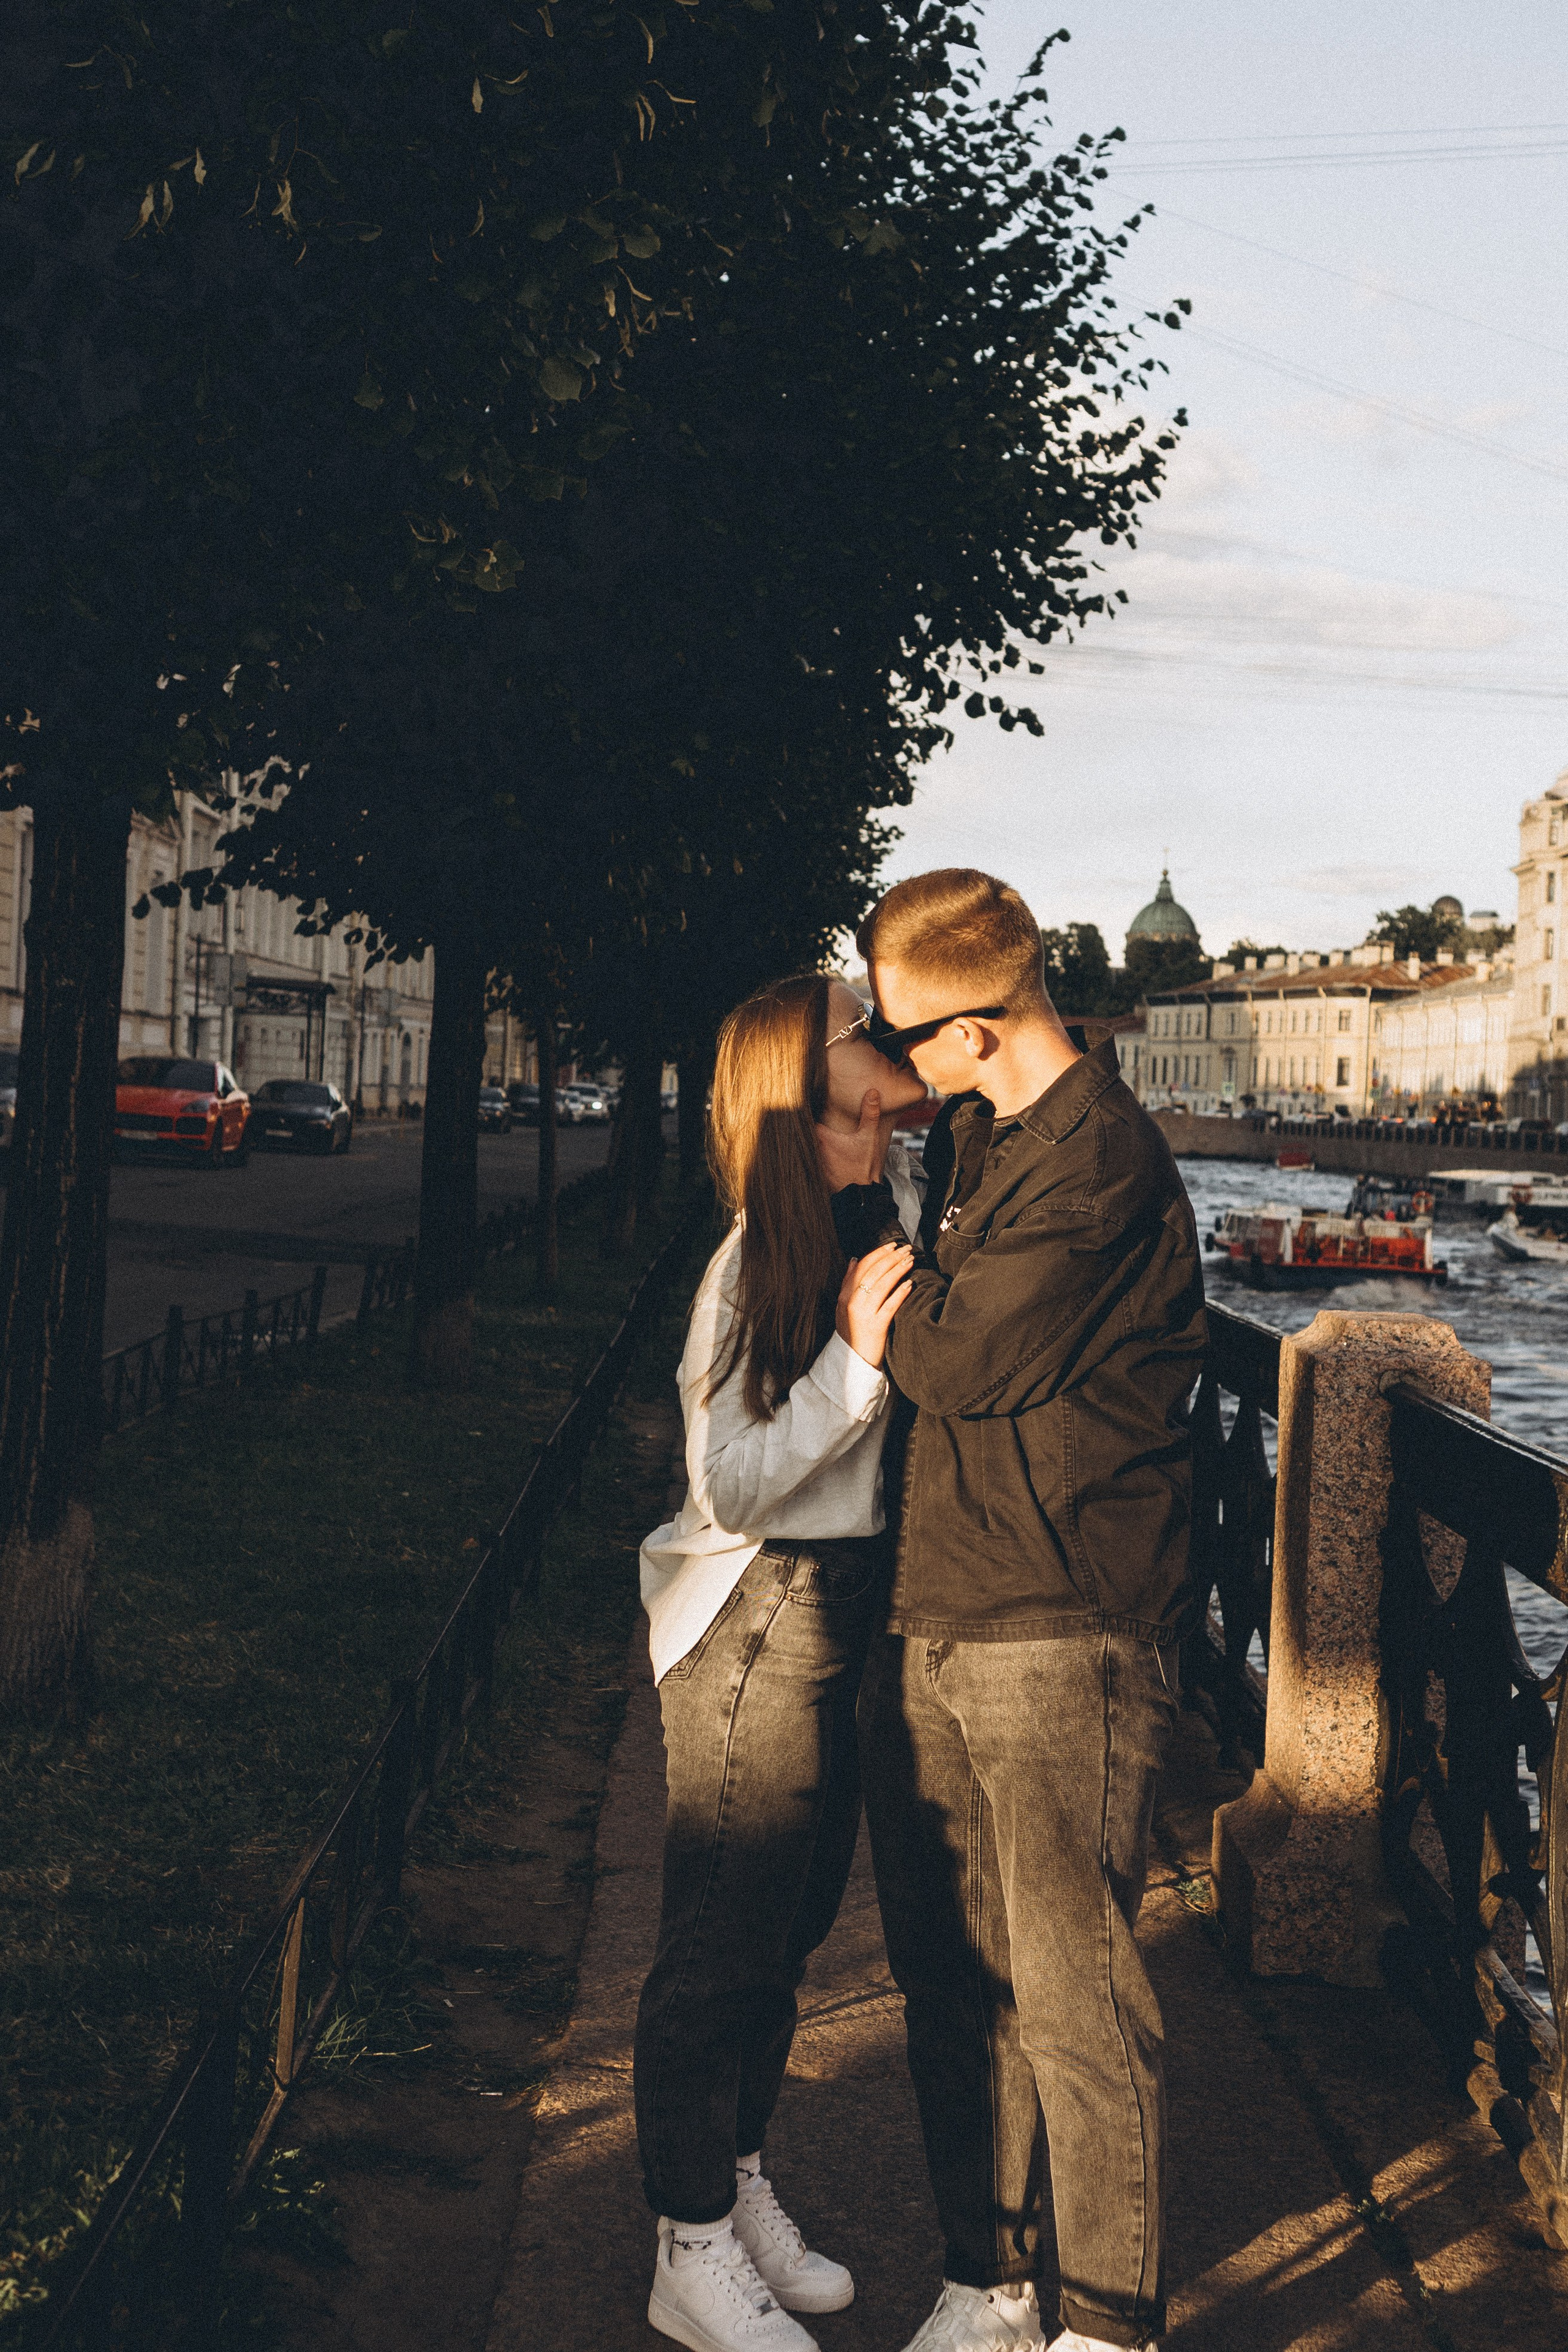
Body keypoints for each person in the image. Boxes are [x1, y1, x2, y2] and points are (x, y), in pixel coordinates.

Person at [820, 870, 1206, 2352]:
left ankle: (1106, 2327)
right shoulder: (980, 1135)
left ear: (977, 1030)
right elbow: (928, 1320)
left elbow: (961, 1360)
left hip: (1063, 1632)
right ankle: (985, 2291)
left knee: (1076, 2003)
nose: (893, 1066)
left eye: (905, 1038)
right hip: (940, 1609)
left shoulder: (1102, 1162)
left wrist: (895, 1315)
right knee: (951, 1987)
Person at [635, 968, 928, 2352]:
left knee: (786, 1940)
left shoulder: (876, 1208)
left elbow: (915, 1084)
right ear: (784, 1116)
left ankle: (737, 2184)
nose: (877, 1121)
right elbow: (733, 1484)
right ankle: (685, 2248)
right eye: (845, 1105)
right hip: (754, 1619)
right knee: (716, 1951)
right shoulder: (751, 1261)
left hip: (837, 1616)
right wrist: (855, 1364)